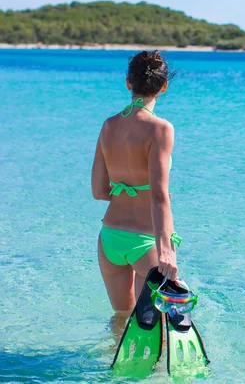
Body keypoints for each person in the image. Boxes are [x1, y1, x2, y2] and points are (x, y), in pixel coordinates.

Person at [91, 50, 180, 313]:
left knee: (121, 321)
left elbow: (98, 191)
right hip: (146, 240)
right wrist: (166, 251)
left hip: (110, 239)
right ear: (163, 87)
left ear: (128, 83)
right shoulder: (160, 128)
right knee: (152, 328)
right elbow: (159, 196)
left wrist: (129, 192)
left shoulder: (108, 125)